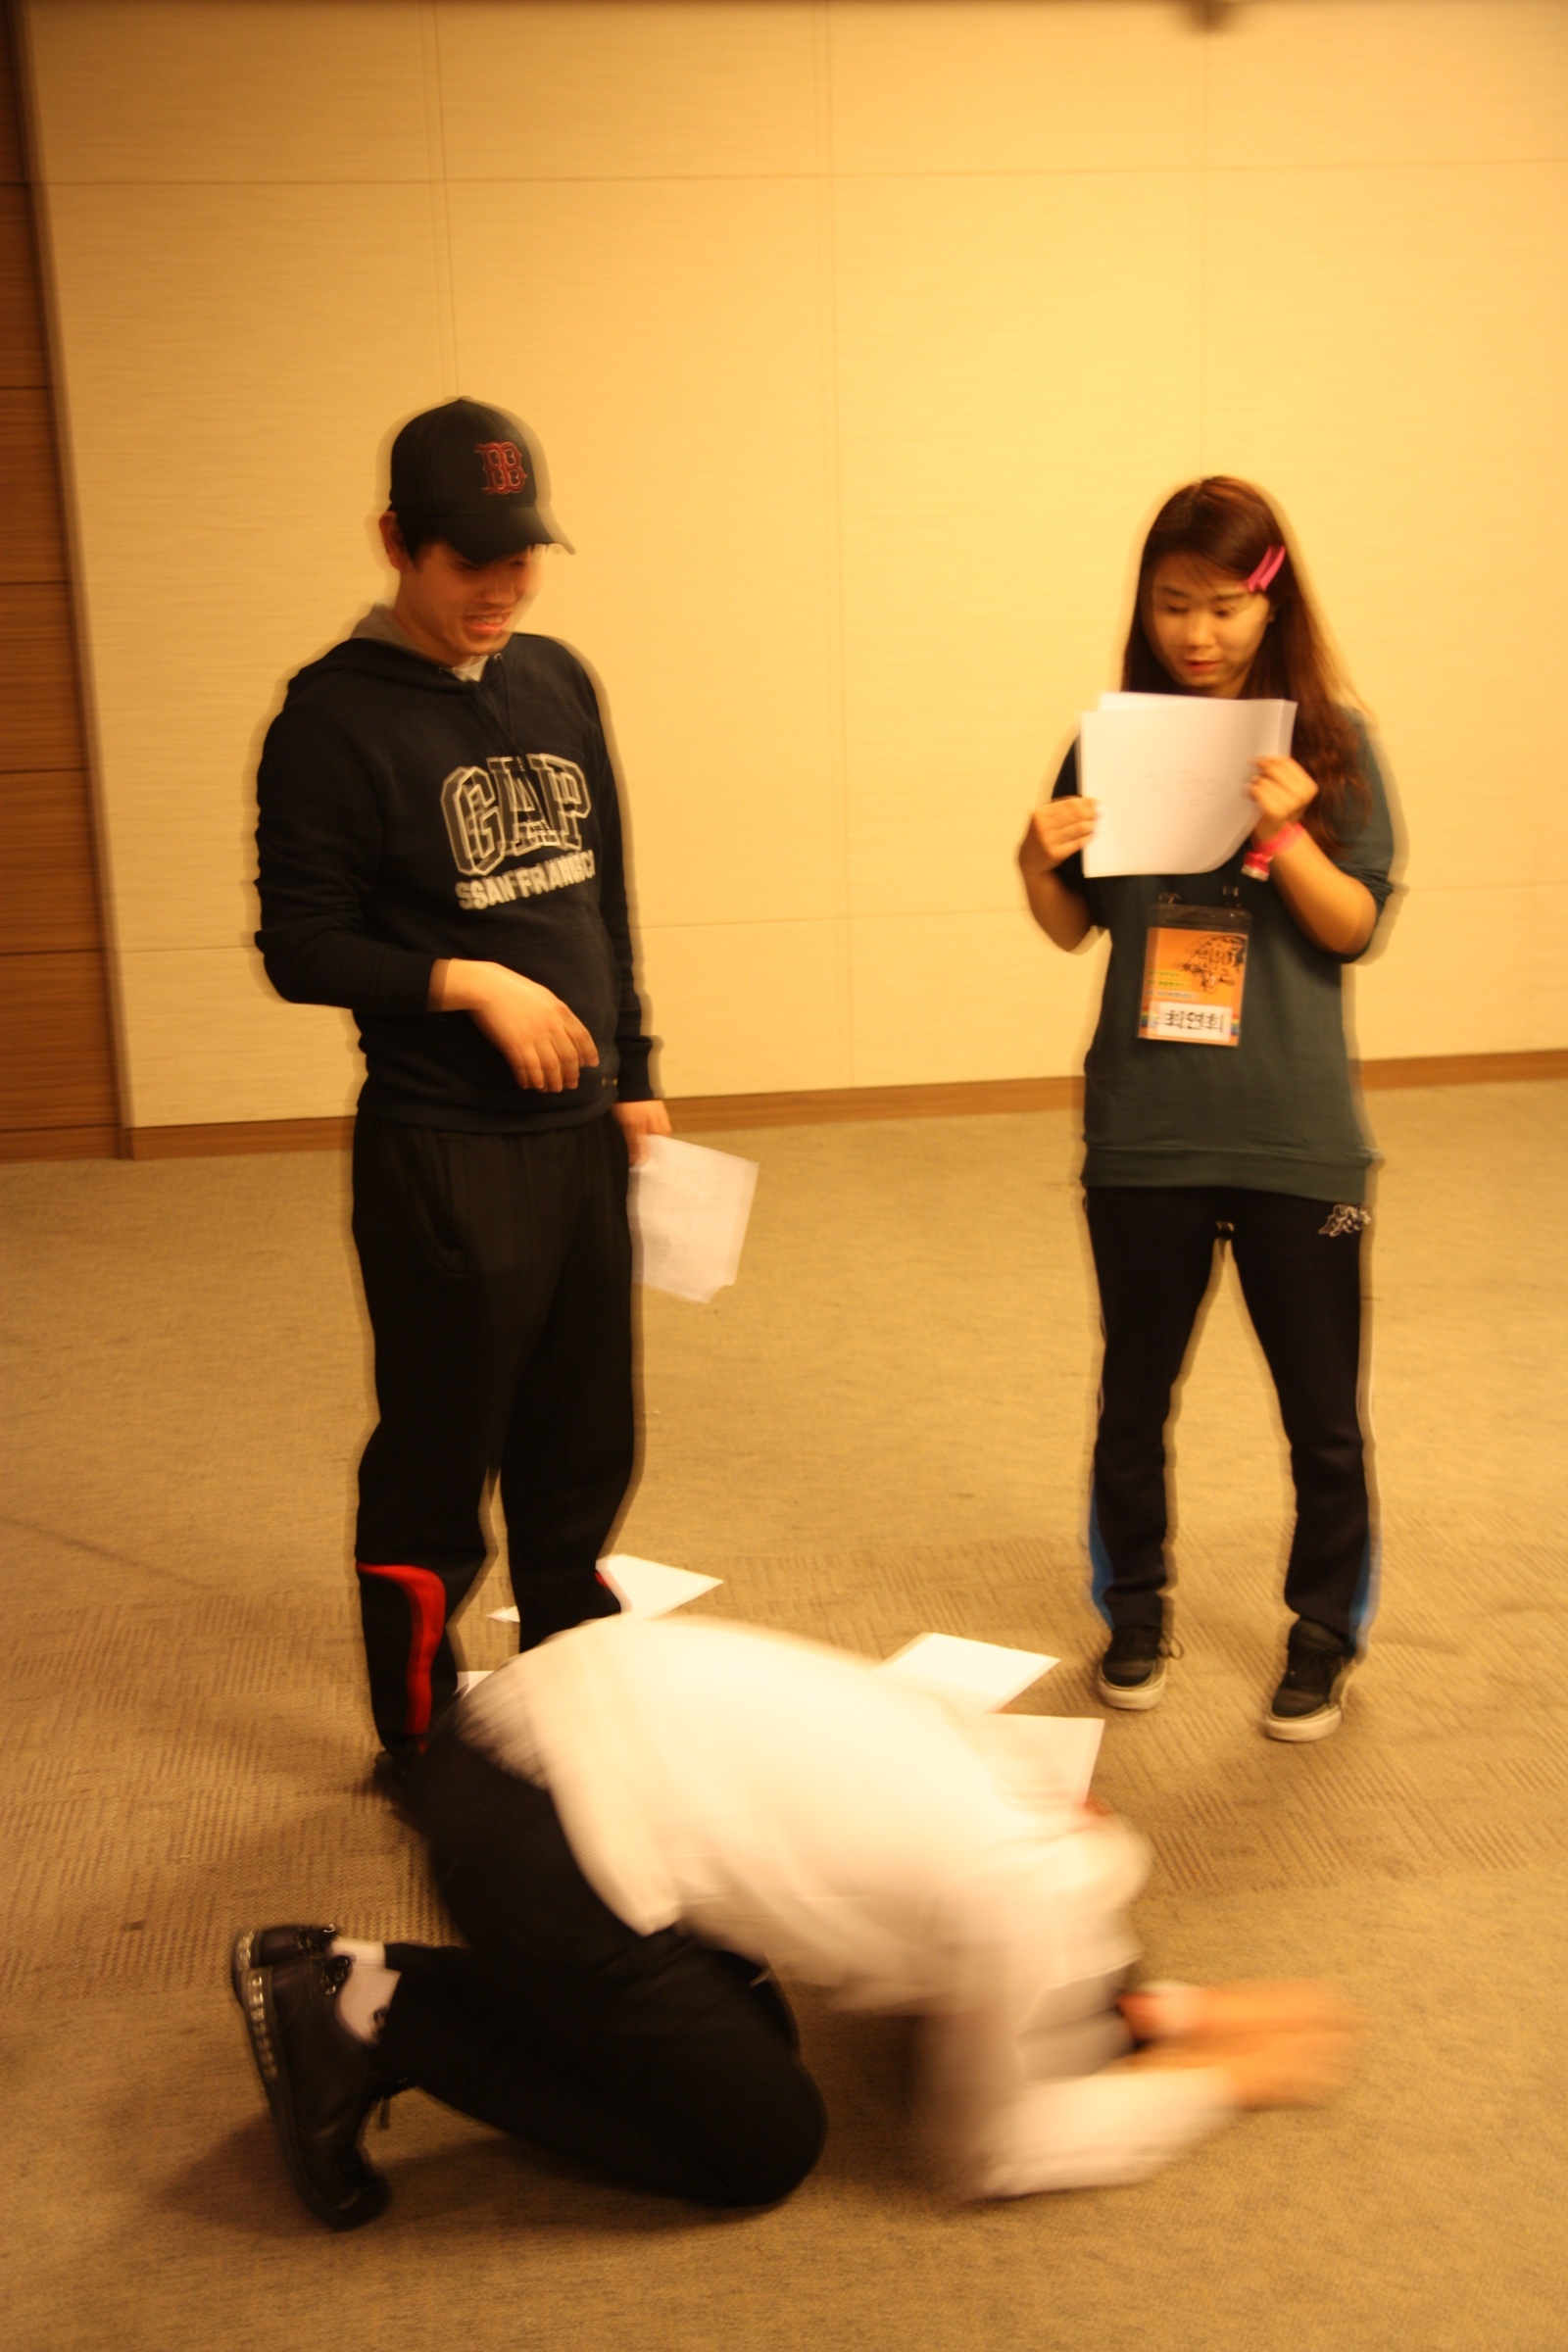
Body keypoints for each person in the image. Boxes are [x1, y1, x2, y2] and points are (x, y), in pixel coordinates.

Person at [231, 1613, 1356, 2230]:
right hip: (529, 1842)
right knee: (760, 2143)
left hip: (532, 1714)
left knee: (754, 2042)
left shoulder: (1018, 1793)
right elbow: (985, 2151)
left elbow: (1043, 1987)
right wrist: (1218, 2079)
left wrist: (1173, 2014)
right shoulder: (1021, 1902)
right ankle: (364, 2007)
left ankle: (374, 1980)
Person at [255, 398, 670, 1802]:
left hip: (580, 1137)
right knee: (441, 1453)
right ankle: (421, 1735)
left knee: (584, 1438)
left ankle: (570, 1686)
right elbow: (301, 947)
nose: (502, 588)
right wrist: (467, 982)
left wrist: (636, 1071)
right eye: (469, 561)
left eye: (521, 558)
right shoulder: (329, 719)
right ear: (396, 543)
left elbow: (604, 897)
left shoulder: (555, 679)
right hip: (445, 1148)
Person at [1017, 477, 1396, 1740]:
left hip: (1296, 1135)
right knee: (1131, 1401)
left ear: (1269, 604)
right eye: (1172, 604)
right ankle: (1133, 1613)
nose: (1196, 633)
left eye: (1224, 607)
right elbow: (1073, 924)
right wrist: (1033, 857)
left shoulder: (1333, 746)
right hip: (1145, 1129)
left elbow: (1352, 928)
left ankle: (1322, 1633)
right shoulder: (1111, 743)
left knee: (1322, 1419)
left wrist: (1286, 838)